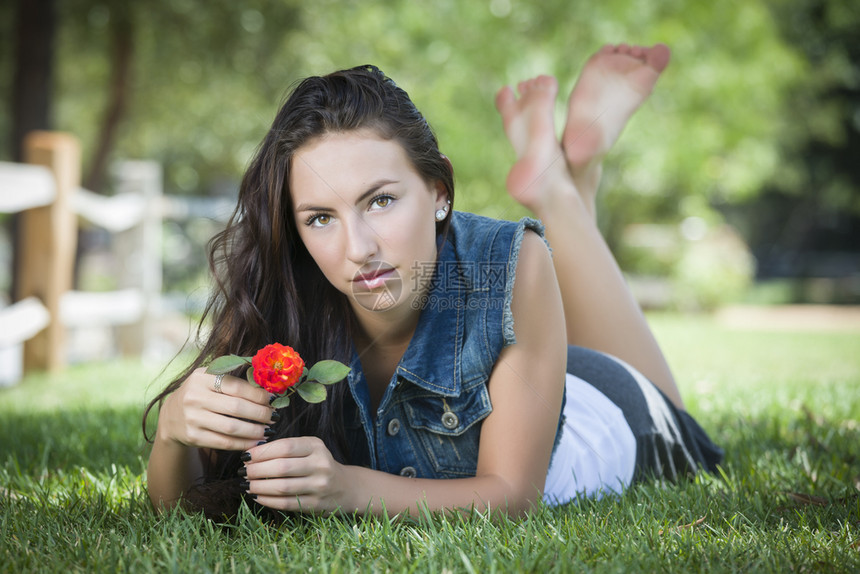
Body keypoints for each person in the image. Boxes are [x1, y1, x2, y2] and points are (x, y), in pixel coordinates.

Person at [144, 43, 722, 520]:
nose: (359, 248)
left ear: (439, 191)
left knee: (672, 407)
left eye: (382, 201)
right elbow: (182, 509)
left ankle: (558, 189)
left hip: (604, 414)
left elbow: (512, 497)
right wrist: (173, 432)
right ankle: (569, 172)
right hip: (535, 373)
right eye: (321, 217)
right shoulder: (282, 288)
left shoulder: (508, 264)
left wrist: (348, 490)